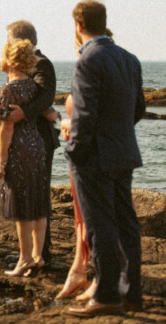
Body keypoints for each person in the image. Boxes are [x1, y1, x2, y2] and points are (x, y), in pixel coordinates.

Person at [66, 0, 145, 318]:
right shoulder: (129, 59)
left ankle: (107, 293)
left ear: (79, 26)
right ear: (103, 21)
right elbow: (137, 110)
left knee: (100, 225)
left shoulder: (88, 61)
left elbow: (84, 116)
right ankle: (130, 291)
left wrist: (73, 149)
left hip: (94, 156)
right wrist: (117, 133)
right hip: (124, 150)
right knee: (126, 223)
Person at [3, 20, 59, 267]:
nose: (6, 44)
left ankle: (41, 254)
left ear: (20, 41)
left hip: (41, 140)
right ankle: (31, 253)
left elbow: (46, 96)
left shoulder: (42, 63)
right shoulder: (23, 65)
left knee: (38, 196)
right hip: (26, 140)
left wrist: (22, 113)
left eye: (8, 39)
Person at [0, 39, 50, 277]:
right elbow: (46, 112)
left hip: (19, 149)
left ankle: (24, 258)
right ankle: (38, 256)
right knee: (38, 201)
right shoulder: (33, 88)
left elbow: (7, 129)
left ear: (10, 60)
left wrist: (0, 162)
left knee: (21, 204)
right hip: (38, 146)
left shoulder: (9, 90)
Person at [56, 94, 95, 301]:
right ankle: (78, 270)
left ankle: (102, 280)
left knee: (95, 218)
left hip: (93, 156)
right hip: (81, 156)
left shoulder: (92, 67)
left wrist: (67, 123)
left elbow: (95, 119)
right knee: (81, 216)